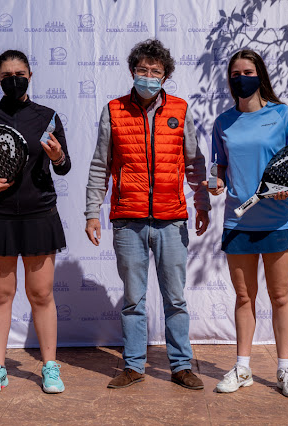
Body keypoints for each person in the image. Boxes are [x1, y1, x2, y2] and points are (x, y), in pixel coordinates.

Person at [85, 39, 211, 390]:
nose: (149, 76)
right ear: (132, 71)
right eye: (143, 70)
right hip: (128, 219)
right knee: (133, 300)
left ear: (165, 76)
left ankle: (181, 366)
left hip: (172, 219)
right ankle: (133, 365)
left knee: (175, 299)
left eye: (156, 71)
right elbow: (100, 165)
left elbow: (194, 163)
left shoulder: (180, 110)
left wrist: (202, 203)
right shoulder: (114, 110)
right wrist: (92, 212)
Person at [0, 49, 70, 396]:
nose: (14, 80)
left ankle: (49, 366)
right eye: (7, 76)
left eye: (20, 74)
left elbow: (64, 167)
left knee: (41, 294)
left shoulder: (48, 117)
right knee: (0, 294)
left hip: (40, 216)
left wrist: (58, 157)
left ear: (30, 76)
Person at [203, 49, 288, 397]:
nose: (241, 78)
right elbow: (218, 168)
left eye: (247, 72)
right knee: (244, 297)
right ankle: (242, 368)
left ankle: (285, 369)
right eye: (235, 74)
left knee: (280, 296)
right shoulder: (222, 122)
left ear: (260, 75)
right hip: (238, 223)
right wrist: (216, 183)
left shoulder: (283, 115)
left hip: (278, 221)